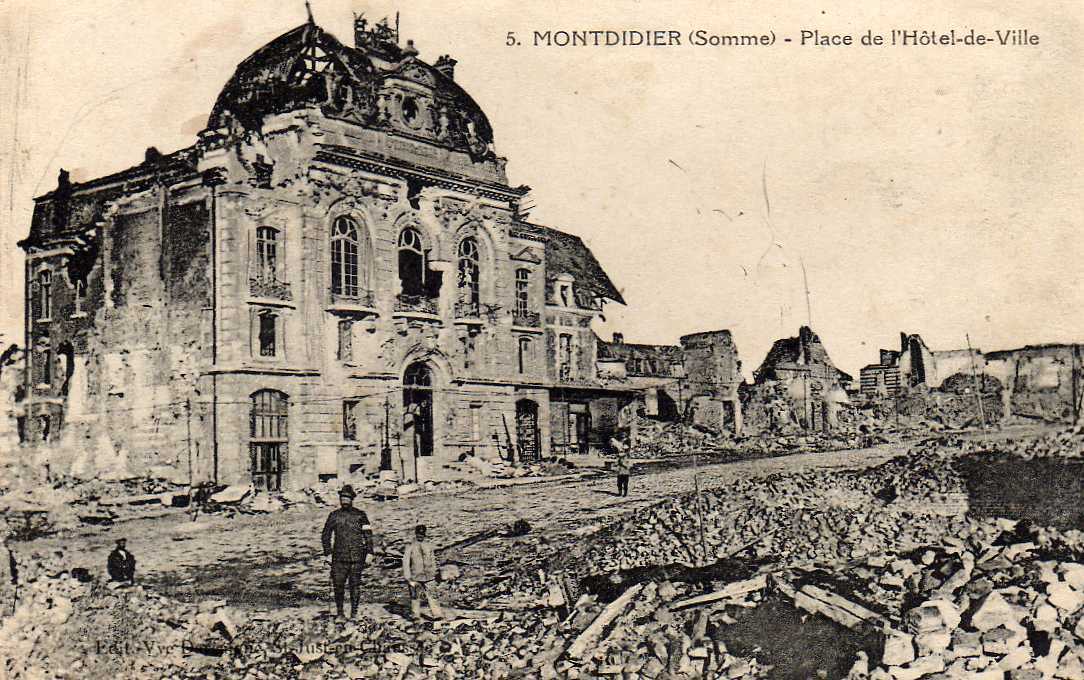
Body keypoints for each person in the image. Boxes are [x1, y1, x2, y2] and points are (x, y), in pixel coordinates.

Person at [321, 485, 374, 620]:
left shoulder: (361, 515)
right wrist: (328, 553)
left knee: (355, 586)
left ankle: (354, 614)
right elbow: (325, 535)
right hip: (338, 558)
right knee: (338, 586)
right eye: (342, 497)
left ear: (352, 499)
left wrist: (370, 553)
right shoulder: (334, 516)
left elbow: (368, 535)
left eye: (347, 498)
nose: (344, 500)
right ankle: (340, 613)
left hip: (357, 557)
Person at [402, 524, 443, 620]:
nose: (420, 536)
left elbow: (433, 560)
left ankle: (437, 614)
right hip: (415, 576)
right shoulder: (410, 547)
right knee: (415, 597)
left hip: (429, 576)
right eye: (418, 534)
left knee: (433, 595)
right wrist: (408, 578)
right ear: (416, 534)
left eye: (422, 534)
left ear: (425, 534)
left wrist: (435, 572)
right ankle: (415, 615)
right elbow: (405, 562)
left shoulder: (429, 546)